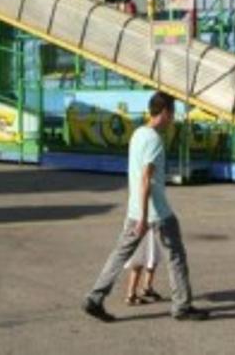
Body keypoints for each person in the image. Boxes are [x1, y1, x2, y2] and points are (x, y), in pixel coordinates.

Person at [82, 91, 209, 322]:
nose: (173, 119)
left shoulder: (138, 133)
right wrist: (143, 217)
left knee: (119, 254)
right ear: (165, 112)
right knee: (176, 256)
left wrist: (138, 213)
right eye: (173, 113)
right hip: (156, 212)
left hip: (135, 209)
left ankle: (95, 298)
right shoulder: (154, 140)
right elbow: (145, 179)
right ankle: (182, 306)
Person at [123, 235, 163, 305]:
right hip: (140, 233)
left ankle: (147, 287)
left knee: (152, 258)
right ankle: (131, 294)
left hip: (150, 233)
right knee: (138, 261)